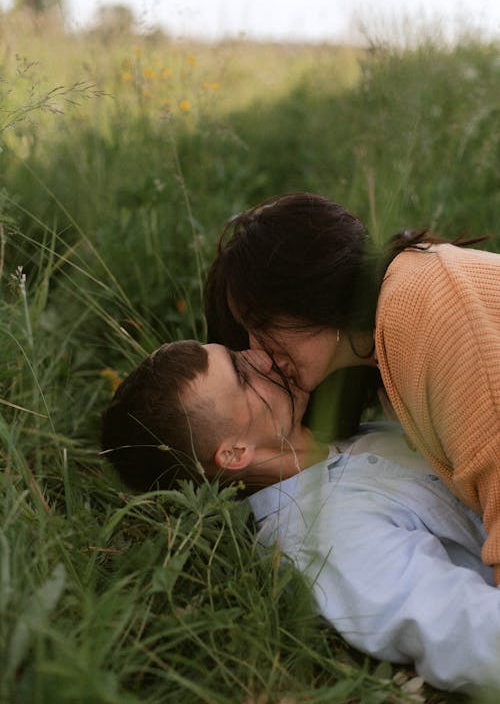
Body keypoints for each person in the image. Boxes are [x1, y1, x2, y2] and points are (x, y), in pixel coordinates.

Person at [102, 339, 500, 693]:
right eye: (243, 376)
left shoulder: (346, 437)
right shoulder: (321, 537)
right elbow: (462, 631)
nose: (262, 356)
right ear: (235, 453)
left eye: (239, 353)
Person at [203, 191, 500, 581]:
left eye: (261, 325)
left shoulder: (422, 316)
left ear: (305, 291)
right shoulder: (391, 339)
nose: (258, 353)